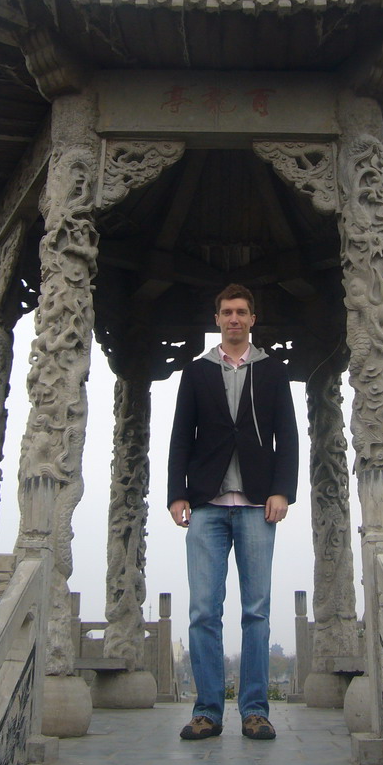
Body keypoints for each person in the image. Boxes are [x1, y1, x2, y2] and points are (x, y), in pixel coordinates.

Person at [168, 284, 298, 740]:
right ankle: (207, 710)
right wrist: (176, 494)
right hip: (205, 504)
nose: (234, 319)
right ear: (217, 318)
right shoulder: (197, 371)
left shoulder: (273, 372)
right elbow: (181, 435)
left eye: (242, 311)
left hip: (258, 505)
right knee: (204, 611)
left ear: (252, 318)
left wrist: (283, 490)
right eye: (227, 312)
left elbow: (289, 436)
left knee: (256, 612)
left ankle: (255, 710)